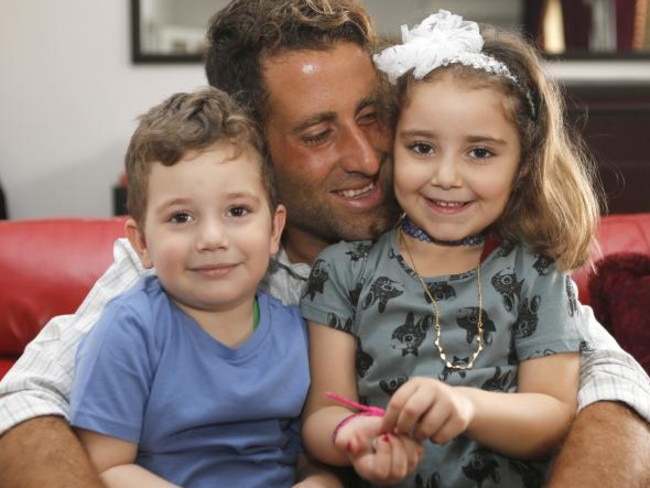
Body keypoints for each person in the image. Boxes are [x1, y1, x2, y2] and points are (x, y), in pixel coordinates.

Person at [0, 1, 648, 487]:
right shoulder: (193, 263)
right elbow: (25, 404)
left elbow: (616, 388)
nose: (367, 157)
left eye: (373, 116)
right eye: (317, 134)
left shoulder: (466, 228)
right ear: (252, 142)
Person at [300, 10, 602, 486]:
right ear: (392, 147)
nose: (446, 176)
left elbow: (552, 417)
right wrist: (358, 433)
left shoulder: (536, 273)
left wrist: (466, 407)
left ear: (522, 164)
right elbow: (320, 414)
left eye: (479, 152)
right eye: (421, 147)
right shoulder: (342, 270)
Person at [68, 86, 311, 487]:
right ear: (142, 243)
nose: (212, 238)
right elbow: (105, 467)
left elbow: (311, 458)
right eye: (181, 218)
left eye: (237, 211)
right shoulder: (130, 330)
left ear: (274, 230)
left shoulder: (298, 331)